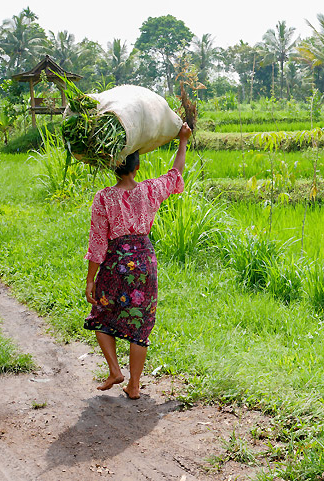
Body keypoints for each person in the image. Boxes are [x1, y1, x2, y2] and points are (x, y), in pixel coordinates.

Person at [84, 122, 192, 399]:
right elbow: (175, 173)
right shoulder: (150, 190)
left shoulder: (104, 198)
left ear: (112, 167)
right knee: (140, 324)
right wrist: (182, 142)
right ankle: (134, 386)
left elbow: (98, 242)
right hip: (144, 261)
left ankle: (114, 370)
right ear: (137, 167)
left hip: (116, 261)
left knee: (100, 315)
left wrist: (90, 279)